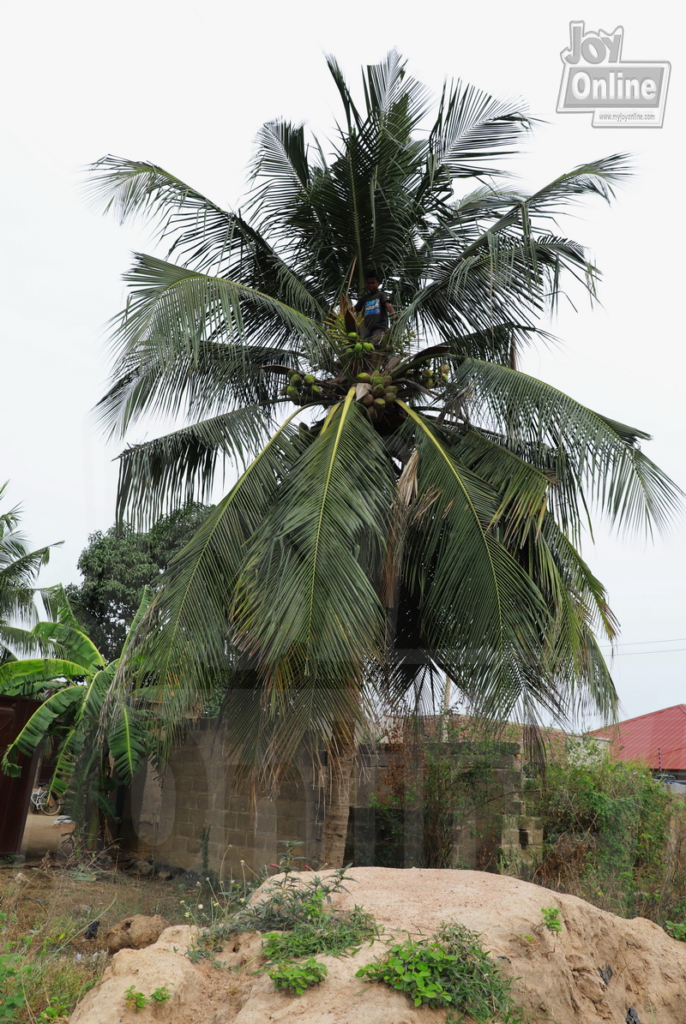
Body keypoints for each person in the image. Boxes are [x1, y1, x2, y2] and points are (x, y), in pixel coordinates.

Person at [354, 272, 395, 345]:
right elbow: (354, 309)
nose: (370, 285)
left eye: (373, 283)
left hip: (379, 327)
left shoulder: (381, 295)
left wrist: (394, 315)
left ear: (378, 284)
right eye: (368, 283)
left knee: (374, 345)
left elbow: (388, 306)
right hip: (366, 328)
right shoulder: (364, 299)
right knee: (361, 343)